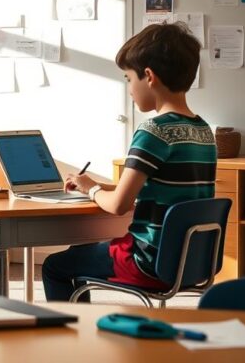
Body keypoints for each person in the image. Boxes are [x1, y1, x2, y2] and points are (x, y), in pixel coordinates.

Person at [42, 22, 216, 301]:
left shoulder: (154, 131)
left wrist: (91, 190)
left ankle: (75, 337)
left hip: (147, 262)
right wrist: (95, 184)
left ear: (149, 77)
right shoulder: (203, 131)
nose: (129, 89)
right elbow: (162, 190)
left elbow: (119, 205)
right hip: (190, 262)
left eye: (128, 79)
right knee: (77, 253)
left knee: (55, 266)